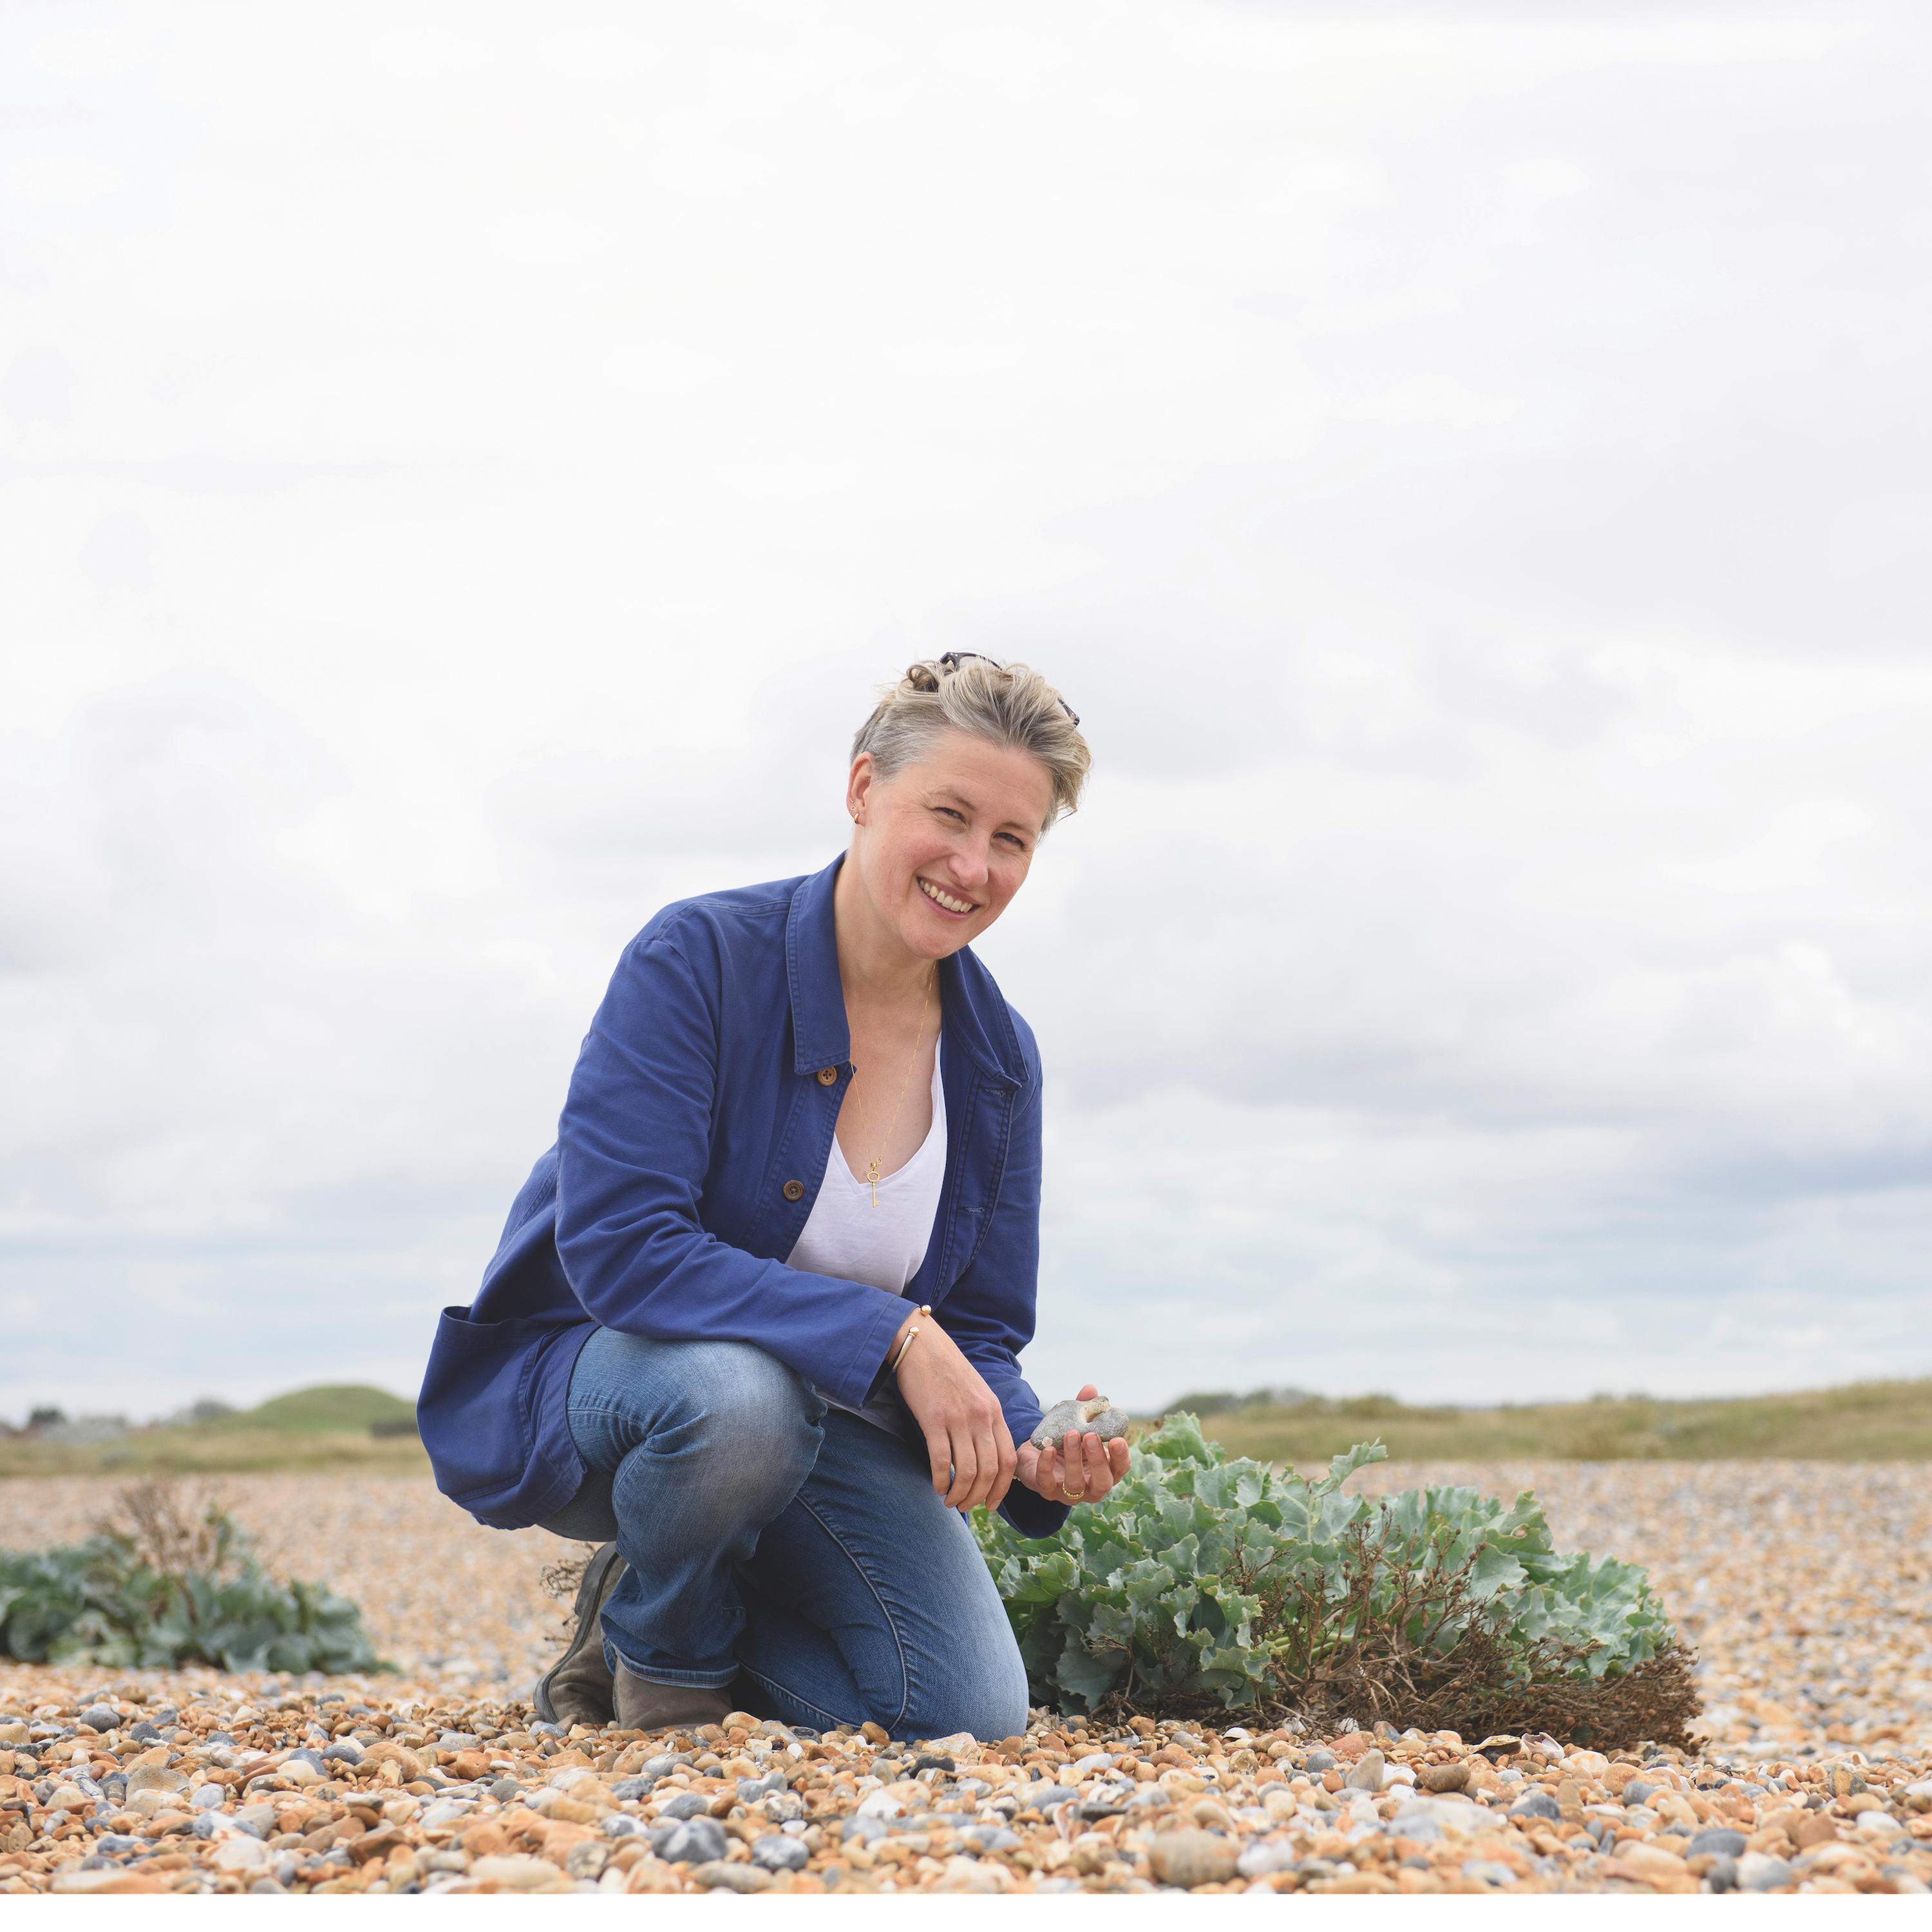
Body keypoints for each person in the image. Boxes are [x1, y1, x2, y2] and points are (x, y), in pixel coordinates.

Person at [417, 655, 1128, 1741]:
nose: (971, 865)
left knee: (965, 1716)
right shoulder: (695, 958)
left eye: (1011, 839)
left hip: (828, 1429)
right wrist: (893, 1334)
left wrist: (1034, 1451)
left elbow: (977, 1331)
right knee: (740, 1401)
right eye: (948, 814)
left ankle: (670, 1595)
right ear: (861, 790)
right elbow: (623, 1249)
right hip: (622, 1388)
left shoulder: (1000, 1062)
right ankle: (662, 1654)